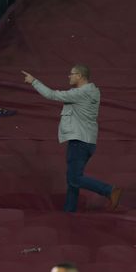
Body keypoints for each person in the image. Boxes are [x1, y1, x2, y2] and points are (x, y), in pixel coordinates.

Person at [22, 66, 122, 212]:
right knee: (73, 179)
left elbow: (51, 95)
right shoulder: (92, 91)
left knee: (74, 179)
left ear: (80, 76)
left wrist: (33, 81)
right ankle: (69, 210)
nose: (69, 76)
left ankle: (109, 190)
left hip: (79, 142)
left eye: (72, 74)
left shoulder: (81, 93)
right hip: (87, 141)